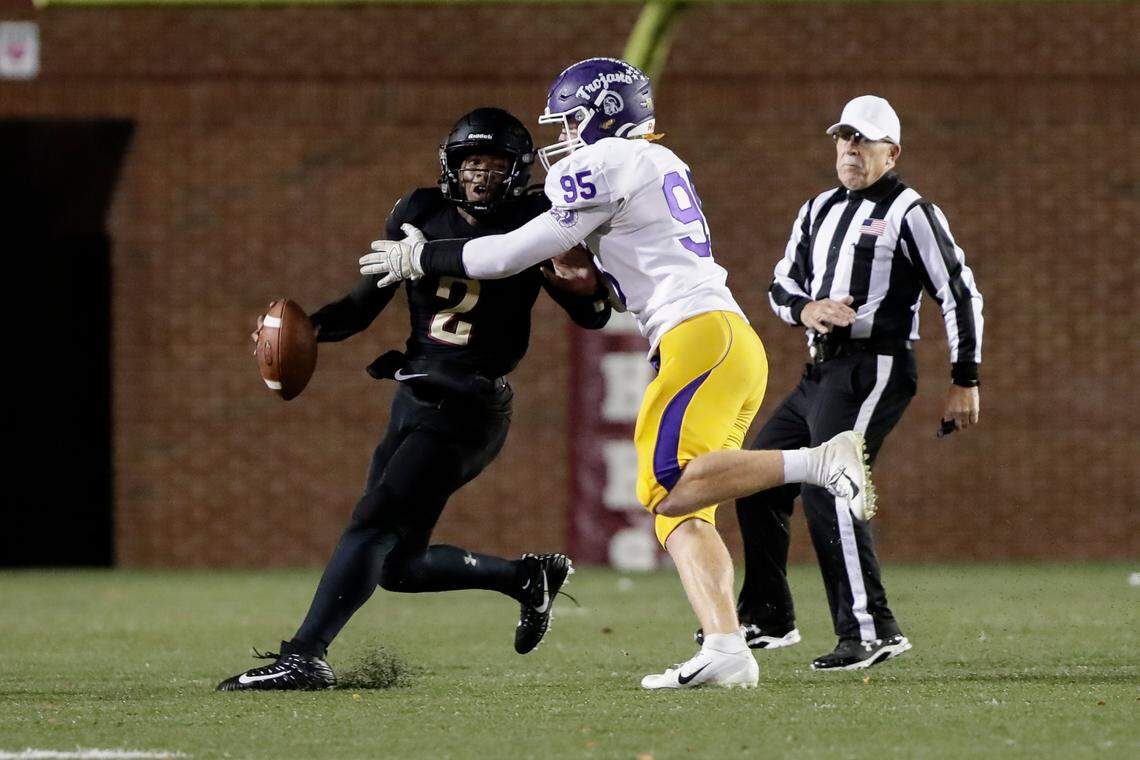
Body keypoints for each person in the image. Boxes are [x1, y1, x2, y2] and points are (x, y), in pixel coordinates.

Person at [360, 59, 876, 690]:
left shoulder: (608, 162)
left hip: (700, 338)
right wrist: (596, 281)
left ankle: (821, 462)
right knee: (681, 512)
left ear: (606, 111)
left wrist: (421, 254)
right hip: (717, 339)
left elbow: (506, 254)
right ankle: (727, 647)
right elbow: (639, 267)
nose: (566, 135)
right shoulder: (658, 162)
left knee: (664, 482)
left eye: (574, 118)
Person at [218, 107, 613, 691]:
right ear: (451, 166)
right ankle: (524, 578)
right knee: (398, 565)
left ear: (518, 171)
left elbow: (595, 314)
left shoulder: (538, 216)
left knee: (372, 522)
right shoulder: (418, 209)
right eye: (471, 163)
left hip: (471, 404)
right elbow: (359, 307)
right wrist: (304, 330)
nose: (481, 175)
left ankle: (305, 654)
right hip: (416, 394)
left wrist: (582, 288)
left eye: (495, 164)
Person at [723, 95, 984, 670]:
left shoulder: (911, 210)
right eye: (844, 138)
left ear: (891, 152)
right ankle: (769, 616)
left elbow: (959, 293)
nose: (850, 149)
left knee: (830, 484)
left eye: (863, 141)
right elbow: (780, 285)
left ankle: (872, 630)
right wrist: (807, 309)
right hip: (821, 369)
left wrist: (965, 379)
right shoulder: (817, 209)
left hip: (875, 367)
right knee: (758, 476)